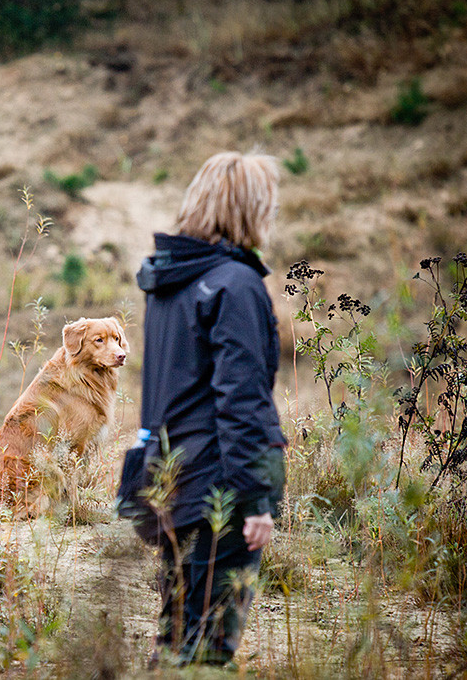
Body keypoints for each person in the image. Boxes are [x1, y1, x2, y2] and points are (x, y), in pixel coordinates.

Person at [126, 151, 287, 665]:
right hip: (221, 490)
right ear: (251, 208)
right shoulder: (236, 286)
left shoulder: (170, 281)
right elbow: (241, 401)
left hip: (169, 482)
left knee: (176, 637)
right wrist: (258, 498)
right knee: (210, 644)